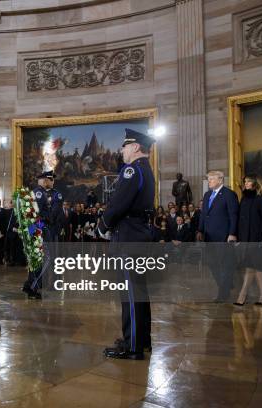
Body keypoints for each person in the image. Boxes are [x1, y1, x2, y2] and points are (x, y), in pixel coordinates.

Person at [97, 128, 156, 360]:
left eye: (125, 146)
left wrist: (103, 226)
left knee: (130, 292)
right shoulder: (146, 170)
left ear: (135, 147)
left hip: (129, 237)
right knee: (139, 290)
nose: (121, 150)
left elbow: (118, 204)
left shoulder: (132, 170)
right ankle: (142, 339)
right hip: (139, 235)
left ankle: (132, 346)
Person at [197, 170, 239, 302]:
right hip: (209, 236)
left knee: (225, 264)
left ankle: (223, 293)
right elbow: (204, 214)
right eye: (208, 179)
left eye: (211, 179)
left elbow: (233, 215)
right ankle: (225, 285)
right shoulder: (207, 194)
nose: (209, 182)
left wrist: (232, 233)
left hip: (224, 236)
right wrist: (200, 230)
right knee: (211, 263)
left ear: (220, 180)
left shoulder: (229, 194)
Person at [22, 170, 63, 299]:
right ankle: (32, 287)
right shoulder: (37, 193)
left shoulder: (52, 194)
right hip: (42, 230)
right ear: (45, 180)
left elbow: (50, 213)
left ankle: (30, 285)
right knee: (44, 260)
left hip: (39, 229)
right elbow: (47, 215)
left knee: (38, 260)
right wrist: (43, 221)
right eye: (50, 179)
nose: (52, 181)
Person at [234, 175, 262, 306]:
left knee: (250, 266)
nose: (246, 183)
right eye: (245, 181)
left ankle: (242, 295)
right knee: (256, 267)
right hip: (245, 239)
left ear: (255, 183)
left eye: (248, 181)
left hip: (257, 238)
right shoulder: (244, 199)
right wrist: (238, 237)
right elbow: (241, 220)